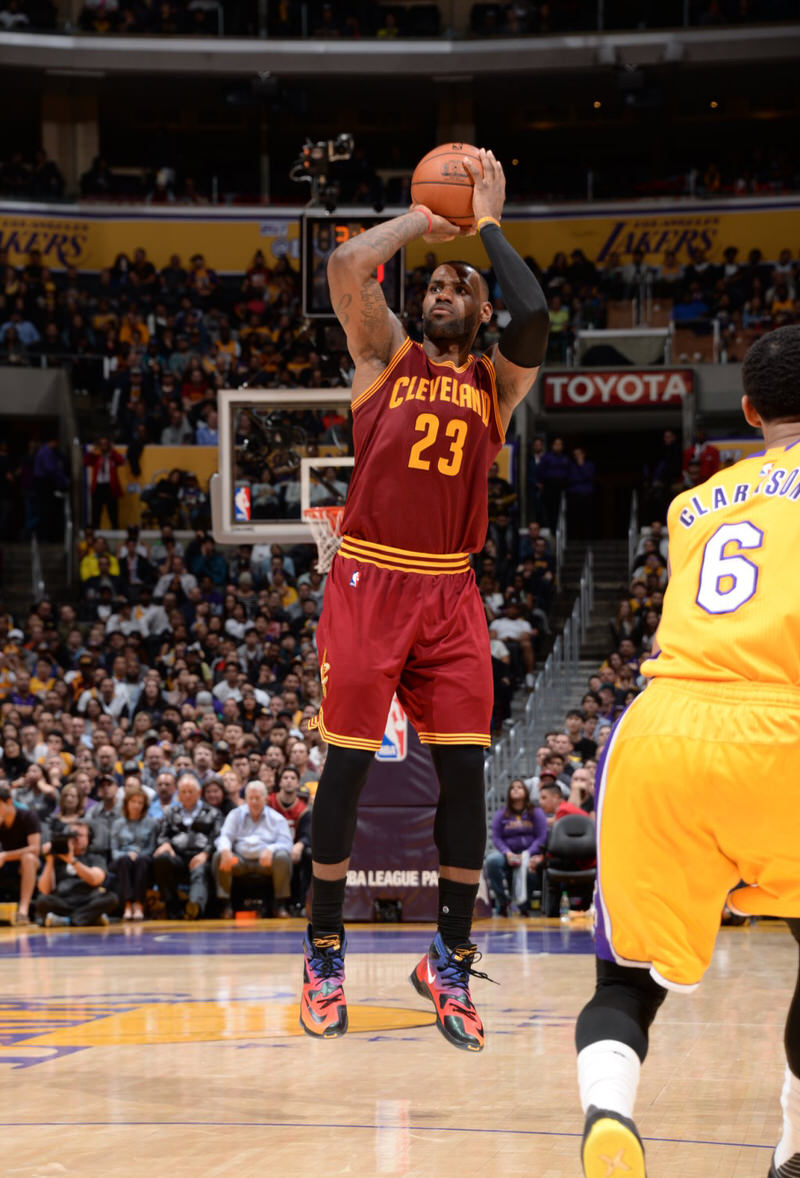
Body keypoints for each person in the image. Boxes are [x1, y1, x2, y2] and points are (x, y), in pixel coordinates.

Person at [300, 147, 549, 1048]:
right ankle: (324, 950)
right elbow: (341, 266)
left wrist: (485, 226)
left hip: (449, 589)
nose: (441, 289)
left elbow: (538, 314)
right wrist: (425, 216)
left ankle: (445, 958)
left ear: (483, 311)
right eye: (433, 283)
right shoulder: (382, 356)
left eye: (459, 286)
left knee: (462, 777)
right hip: (369, 575)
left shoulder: (498, 384)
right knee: (350, 770)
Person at [575, 324, 800, 1178]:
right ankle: (793, 1150)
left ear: (749, 412)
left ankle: (609, 1112)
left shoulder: (691, 505)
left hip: (667, 724)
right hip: (786, 723)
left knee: (625, 981)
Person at [212, 780, 293, 918]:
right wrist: (226, 850)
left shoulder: (276, 818)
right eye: (251, 798)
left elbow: (287, 843)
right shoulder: (235, 814)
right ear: (246, 799)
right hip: (239, 860)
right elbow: (224, 836)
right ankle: (226, 905)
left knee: (282, 857)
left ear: (265, 799)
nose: (254, 802)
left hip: (265, 862)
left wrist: (271, 849)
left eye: (258, 798)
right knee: (219, 855)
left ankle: (280, 905)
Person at [152, 772, 222, 918]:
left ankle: (194, 907)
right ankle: (172, 906)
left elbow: (217, 837)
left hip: (202, 855)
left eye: (191, 791)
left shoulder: (213, 812)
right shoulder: (170, 812)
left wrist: (206, 853)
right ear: (179, 794)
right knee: (161, 859)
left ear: (199, 793)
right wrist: (165, 844)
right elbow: (162, 834)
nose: (187, 795)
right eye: (183, 792)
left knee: (199, 870)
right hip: (178, 855)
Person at [34, 820, 118, 927]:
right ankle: (89, 918)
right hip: (63, 901)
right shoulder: (57, 859)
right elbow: (45, 889)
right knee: (42, 901)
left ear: (89, 838)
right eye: (72, 835)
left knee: (111, 898)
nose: (76, 838)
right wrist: (49, 860)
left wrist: (72, 860)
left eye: (81, 835)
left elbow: (95, 880)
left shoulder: (95, 858)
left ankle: (66, 920)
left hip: (88, 899)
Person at [484, 779, 547, 916]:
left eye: (520, 787)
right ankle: (503, 900)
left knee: (531, 871)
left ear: (526, 792)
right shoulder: (501, 814)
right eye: (513, 787)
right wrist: (507, 852)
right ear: (508, 793)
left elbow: (541, 836)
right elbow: (496, 837)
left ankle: (524, 905)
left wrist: (528, 853)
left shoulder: (536, 812)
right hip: (508, 854)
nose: (516, 789)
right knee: (491, 861)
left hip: (530, 854)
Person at [111, 783, 157, 920]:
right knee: (125, 861)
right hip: (122, 858)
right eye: (133, 801)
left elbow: (151, 848)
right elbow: (114, 850)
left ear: (144, 805)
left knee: (141, 861)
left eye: (140, 802)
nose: (136, 805)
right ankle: (127, 904)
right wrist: (127, 854)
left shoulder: (151, 823)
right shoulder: (117, 824)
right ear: (126, 803)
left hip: (143, 858)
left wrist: (138, 855)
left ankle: (138, 904)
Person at [0, 781, 40, 924]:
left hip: (28, 863)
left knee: (28, 858)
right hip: (7, 863)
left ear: (8, 802)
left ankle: (23, 911)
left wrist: (5, 855)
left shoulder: (28, 817)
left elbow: (35, 848)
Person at [83, 436, 125, 530]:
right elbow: (85, 462)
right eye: (101, 444)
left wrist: (113, 450)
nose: (103, 446)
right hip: (98, 487)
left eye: (105, 443)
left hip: (110, 487)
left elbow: (121, 461)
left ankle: (115, 530)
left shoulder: (112, 456)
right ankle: (95, 532)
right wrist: (92, 451)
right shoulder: (96, 457)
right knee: (96, 512)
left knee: (113, 512)